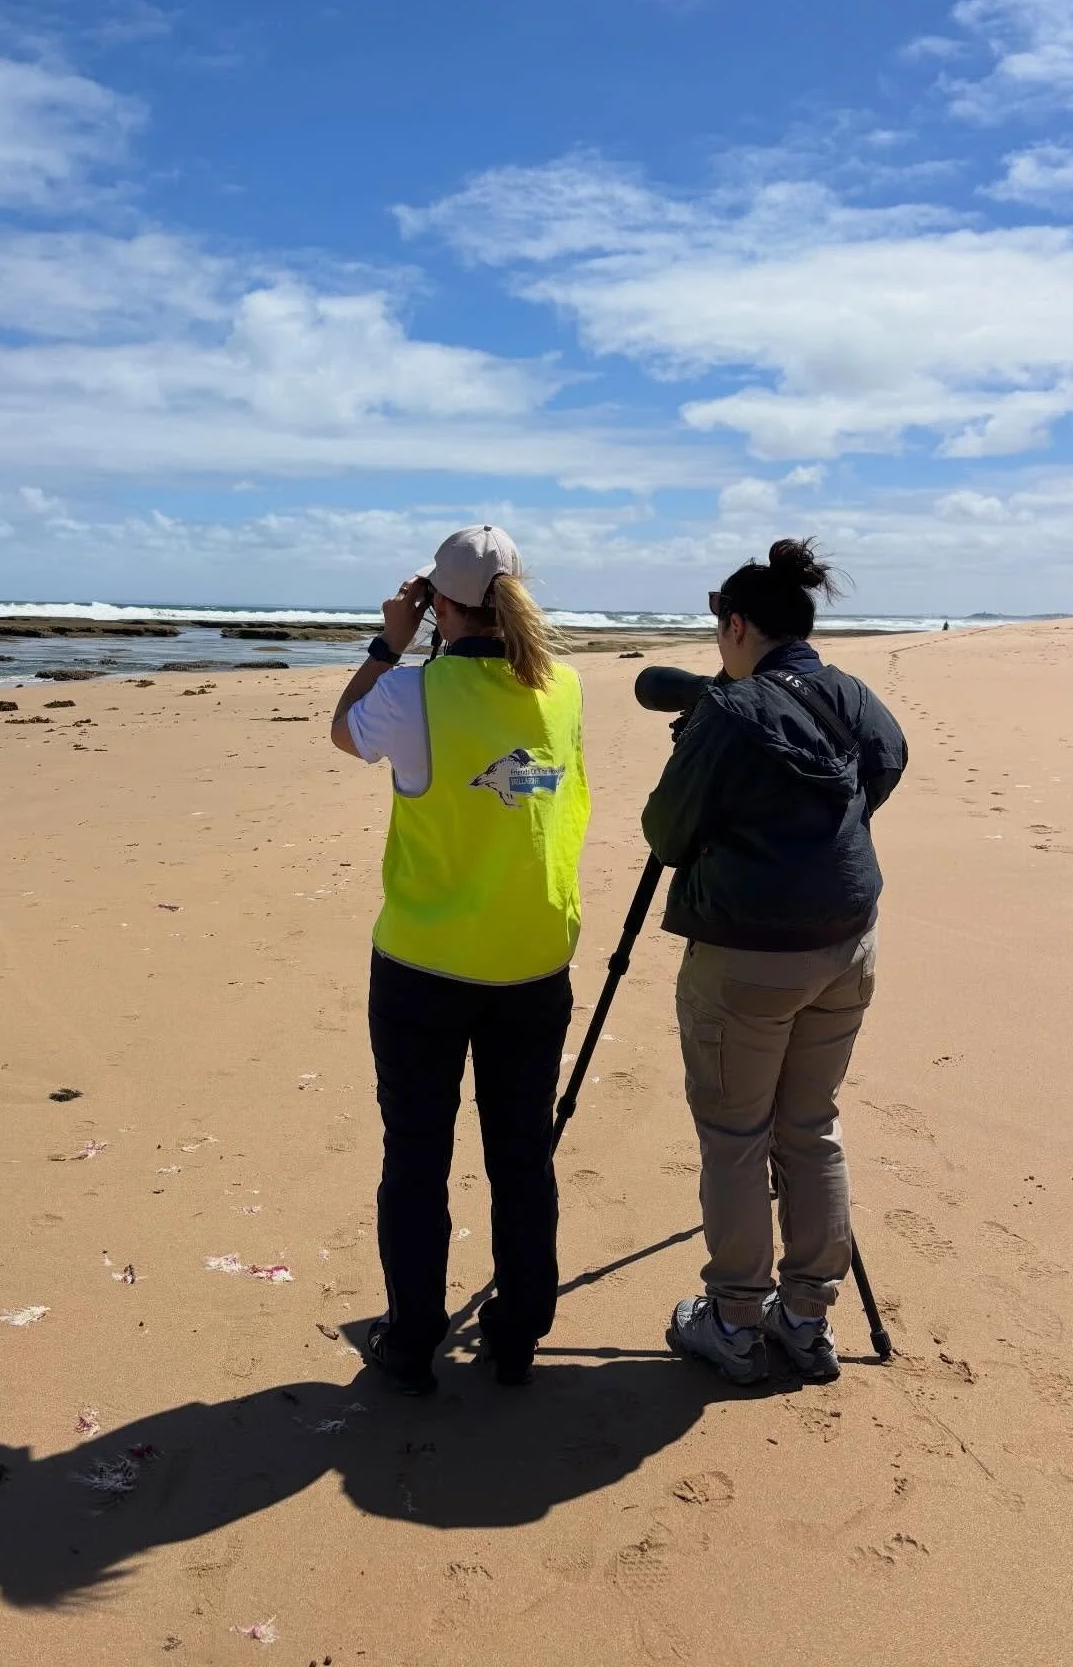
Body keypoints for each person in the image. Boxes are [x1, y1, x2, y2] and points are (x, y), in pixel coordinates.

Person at [330, 525, 591, 1394]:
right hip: (532, 960)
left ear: (439, 604)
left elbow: (343, 731)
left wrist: (386, 642)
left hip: (425, 964)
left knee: (416, 1157)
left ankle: (412, 1342)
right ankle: (518, 1334)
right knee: (521, 1155)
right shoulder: (565, 691)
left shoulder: (414, 694)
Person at [641, 539, 907, 1385]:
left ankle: (733, 1317)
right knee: (812, 1126)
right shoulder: (851, 694)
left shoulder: (734, 710)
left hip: (749, 956)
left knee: (733, 1135)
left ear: (738, 625)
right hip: (846, 942)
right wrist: (816, 831)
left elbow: (667, 834)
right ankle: (806, 1315)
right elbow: (887, 762)